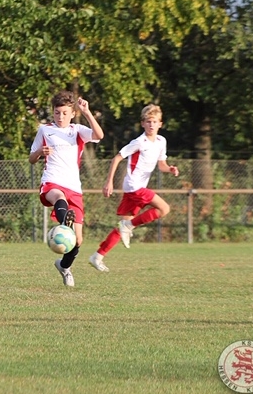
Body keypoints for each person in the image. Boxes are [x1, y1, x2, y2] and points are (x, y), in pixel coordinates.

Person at [88, 104, 179, 272]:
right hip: (134, 187)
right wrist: (109, 182)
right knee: (164, 208)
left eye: (155, 121)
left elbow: (162, 165)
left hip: (135, 189)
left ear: (160, 124)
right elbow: (116, 158)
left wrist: (170, 169)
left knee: (122, 226)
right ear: (143, 123)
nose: (151, 125)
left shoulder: (161, 141)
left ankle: (97, 256)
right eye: (148, 121)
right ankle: (129, 227)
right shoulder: (139, 142)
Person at [29, 90, 104, 287]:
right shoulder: (45, 130)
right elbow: (31, 158)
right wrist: (39, 152)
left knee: (77, 241)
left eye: (64, 113)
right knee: (59, 198)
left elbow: (99, 135)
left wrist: (87, 112)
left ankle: (64, 267)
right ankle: (65, 222)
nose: (60, 116)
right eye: (56, 112)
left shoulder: (77, 130)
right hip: (52, 182)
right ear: (52, 112)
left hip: (75, 188)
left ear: (72, 113)